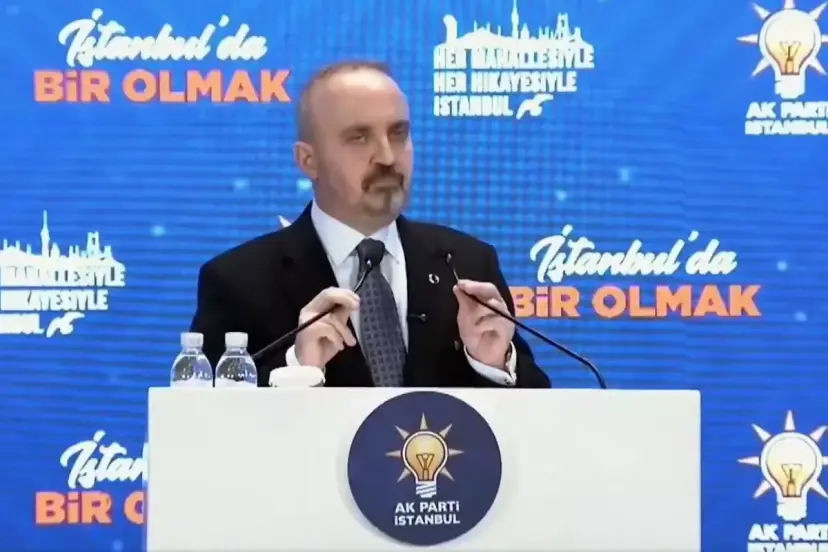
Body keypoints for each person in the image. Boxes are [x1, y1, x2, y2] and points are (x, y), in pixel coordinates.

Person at [190, 60, 550, 388]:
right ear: (308, 160)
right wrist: (298, 369)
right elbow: (204, 424)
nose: (388, 157)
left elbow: (537, 416)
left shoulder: (467, 263)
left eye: (398, 133)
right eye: (359, 137)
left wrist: (493, 363)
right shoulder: (238, 281)